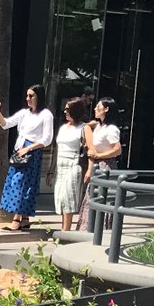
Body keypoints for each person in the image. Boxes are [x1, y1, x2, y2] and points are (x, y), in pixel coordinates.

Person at [0, 84, 53, 232]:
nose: (28, 99)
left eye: (31, 96)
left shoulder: (46, 115)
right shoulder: (24, 114)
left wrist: (29, 148)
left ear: (39, 97)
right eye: (27, 96)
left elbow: (47, 138)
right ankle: (24, 219)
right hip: (19, 150)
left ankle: (16, 219)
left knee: (22, 184)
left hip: (32, 152)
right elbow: (6, 124)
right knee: (16, 182)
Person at [52, 97, 89, 233]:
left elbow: (89, 150)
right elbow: (57, 149)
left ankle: (66, 230)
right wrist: (51, 170)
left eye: (68, 109)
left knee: (69, 198)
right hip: (61, 165)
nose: (65, 112)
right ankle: (63, 227)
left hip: (73, 164)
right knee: (61, 197)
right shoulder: (63, 128)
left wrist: (89, 169)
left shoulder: (83, 128)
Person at [83, 96, 122, 227]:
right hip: (97, 166)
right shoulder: (100, 127)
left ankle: (101, 228)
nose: (95, 109)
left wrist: (99, 155)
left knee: (103, 197)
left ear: (106, 109)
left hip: (106, 166)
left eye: (98, 107)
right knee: (92, 195)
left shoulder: (112, 129)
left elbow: (117, 150)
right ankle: (88, 226)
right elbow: (88, 127)